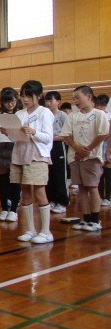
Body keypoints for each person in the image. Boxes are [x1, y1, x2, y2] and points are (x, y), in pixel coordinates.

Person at [1, 80, 54, 243]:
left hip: (37, 154)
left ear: (39, 96)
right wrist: (8, 132)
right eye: (23, 96)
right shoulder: (19, 114)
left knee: (39, 191)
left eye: (29, 96)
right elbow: (15, 138)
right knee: (24, 192)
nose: (25, 99)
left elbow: (48, 138)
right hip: (19, 154)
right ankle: (30, 229)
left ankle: (46, 232)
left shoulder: (45, 112)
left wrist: (34, 131)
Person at [60, 86, 110, 232]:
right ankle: (86, 218)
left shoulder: (99, 114)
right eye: (73, 98)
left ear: (88, 97)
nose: (75, 101)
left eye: (78, 97)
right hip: (75, 157)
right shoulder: (72, 116)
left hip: (92, 157)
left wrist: (87, 149)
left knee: (92, 187)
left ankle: (95, 219)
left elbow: (103, 134)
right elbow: (66, 135)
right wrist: (78, 149)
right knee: (81, 187)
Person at [0, 87, 22, 222]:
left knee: (14, 179)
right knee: (3, 180)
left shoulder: (21, 113)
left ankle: (14, 210)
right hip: (0, 146)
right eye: (6, 102)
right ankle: (4, 209)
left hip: (15, 146)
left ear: (16, 100)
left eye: (12, 101)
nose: (9, 104)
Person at [44, 91, 69, 214]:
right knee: (49, 175)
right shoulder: (45, 114)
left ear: (58, 102)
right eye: (46, 101)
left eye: (51, 100)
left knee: (60, 175)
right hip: (46, 147)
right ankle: (52, 200)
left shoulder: (62, 115)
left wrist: (51, 138)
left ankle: (63, 202)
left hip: (58, 146)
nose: (48, 103)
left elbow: (66, 134)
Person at [94, 94, 111, 206]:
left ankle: (108, 197)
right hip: (98, 146)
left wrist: (108, 150)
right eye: (98, 105)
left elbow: (108, 134)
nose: (100, 107)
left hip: (107, 145)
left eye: (102, 105)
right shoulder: (96, 116)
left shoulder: (108, 115)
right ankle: (99, 196)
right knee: (99, 173)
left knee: (108, 172)